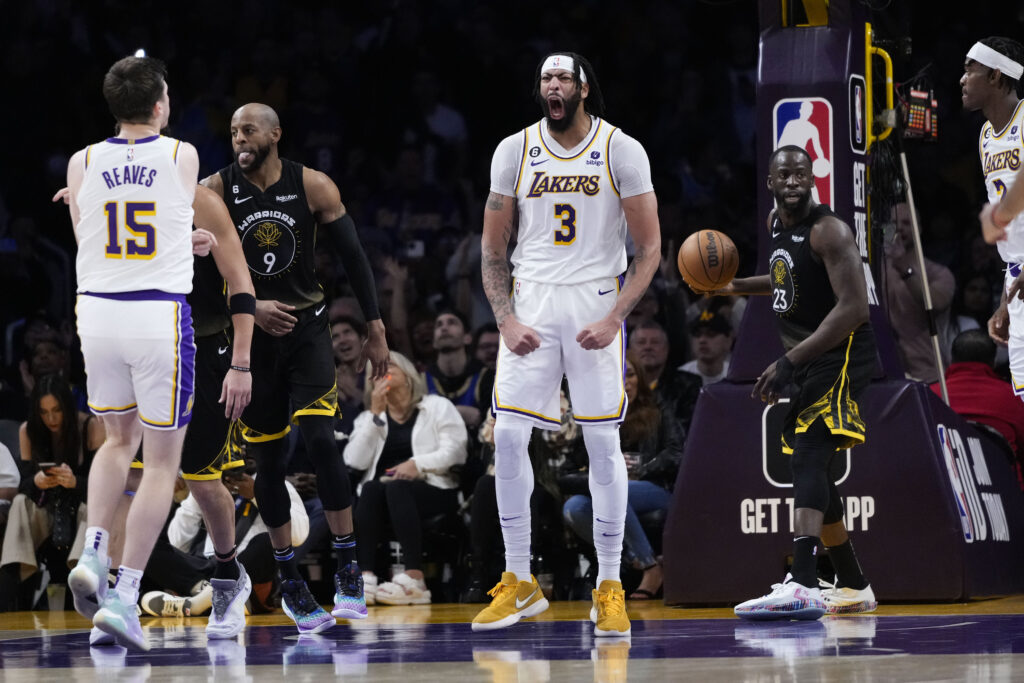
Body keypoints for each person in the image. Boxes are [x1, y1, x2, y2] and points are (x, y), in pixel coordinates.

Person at [63, 56, 252, 651]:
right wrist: (185, 242)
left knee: (115, 442)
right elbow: (165, 213)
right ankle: (124, 594)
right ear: (160, 105)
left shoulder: (81, 162)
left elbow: (89, 237)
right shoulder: (181, 155)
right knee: (162, 462)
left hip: (96, 313)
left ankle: (93, 551)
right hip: (156, 315)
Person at [474, 52, 661, 637]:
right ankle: (520, 581)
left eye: (562, 78)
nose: (551, 86)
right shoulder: (514, 150)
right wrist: (505, 320)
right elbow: (492, 250)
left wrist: (615, 317)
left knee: (602, 442)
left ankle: (610, 584)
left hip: (594, 299)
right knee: (508, 435)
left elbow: (650, 249)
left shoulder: (620, 149)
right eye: (544, 79)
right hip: (531, 299)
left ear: (582, 88)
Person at [202, 102, 389, 633]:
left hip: (307, 330)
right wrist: (250, 306)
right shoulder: (214, 190)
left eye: (249, 130)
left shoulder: (313, 185)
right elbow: (202, 271)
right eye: (233, 131)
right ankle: (289, 580)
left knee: (322, 441)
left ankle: (348, 568)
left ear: (275, 134)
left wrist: (375, 326)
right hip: (253, 339)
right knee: (268, 463)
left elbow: (354, 258)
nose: (240, 138)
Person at [705, 145, 877, 620]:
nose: (793, 181)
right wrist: (734, 286)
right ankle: (853, 584)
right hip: (812, 358)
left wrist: (788, 360)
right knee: (813, 467)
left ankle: (803, 581)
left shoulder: (829, 231)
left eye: (801, 173)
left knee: (809, 454)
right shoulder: (776, 225)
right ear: (771, 183)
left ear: (812, 177)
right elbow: (786, 278)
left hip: (842, 352)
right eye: (784, 174)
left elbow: (854, 308)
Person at [344, 352, 467, 605]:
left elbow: (456, 451)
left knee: (397, 488)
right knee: (371, 488)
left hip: (434, 488)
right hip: (381, 495)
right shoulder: (368, 418)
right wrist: (375, 416)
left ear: (408, 375)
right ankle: (365, 578)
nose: (381, 373)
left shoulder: (437, 406)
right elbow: (354, 461)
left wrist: (417, 465)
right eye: (374, 371)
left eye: (388, 365)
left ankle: (414, 578)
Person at [562, 352, 683, 600]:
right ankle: (633, 558)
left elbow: (676, 453)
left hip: (655, 488)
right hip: (610, 490)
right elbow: (567, 471)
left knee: (614, 491)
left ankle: (650, 567)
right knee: (574, 507)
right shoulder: (593, 419)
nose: (624, 382)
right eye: (616, 376)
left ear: (639, 379)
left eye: (630, 375)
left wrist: (642, 469)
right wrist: (599, 476)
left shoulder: (659, 410)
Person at [1, 375, 103, 596]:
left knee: (94, 508)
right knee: (20, 503)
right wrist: (37, 481)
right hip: (46, 506)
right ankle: (14, 575)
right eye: (44, 412)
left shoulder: (90, 427)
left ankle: (82, 578)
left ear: (67, 407)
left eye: (56, 410)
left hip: (82, 505)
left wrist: (75, 482)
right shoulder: (28, 431)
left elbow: (104, 487)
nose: (51, 418)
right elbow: (24, 485)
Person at [963, 36, 1024, 400]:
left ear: (996, 76)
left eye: (970, 69)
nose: (962, 79)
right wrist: (1004, 302)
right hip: (1016, 279)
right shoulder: (986, 136)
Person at [931, 329, 1024, 486]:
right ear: (993, 361)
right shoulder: (1013, 397)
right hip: (1008, 490)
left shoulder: (930, 395)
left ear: (951, 359)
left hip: (949, 490)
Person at [884, 202, 955, 381]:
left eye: (907, 223)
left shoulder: (939, 273)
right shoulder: (875, 271)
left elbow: (935, 303)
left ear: (919, 228)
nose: (899, 228)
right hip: (888, 372)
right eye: (894, 222)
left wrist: (904, 267)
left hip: (929, 373)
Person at [424, 309, 493, 430]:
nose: (444, 328)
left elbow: (497, 423)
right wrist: (455, 412)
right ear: (434, 342)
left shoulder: (487, 377)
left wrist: (481, 418)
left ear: (467, 338)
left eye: (452, 323)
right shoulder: (421, 380)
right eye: (439, 325)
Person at [679, 308, 733, 385]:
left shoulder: (736, 377)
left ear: (728, 341)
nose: (702, 340)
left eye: (711, 334)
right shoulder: (680, 378)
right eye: (697, 335)